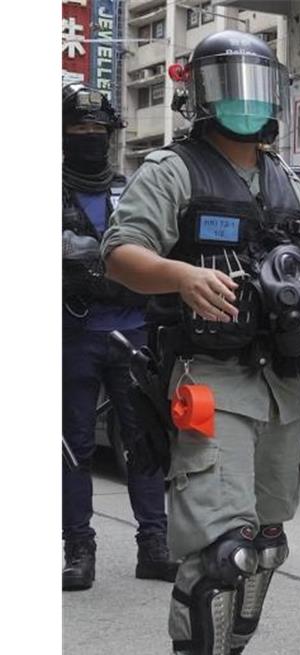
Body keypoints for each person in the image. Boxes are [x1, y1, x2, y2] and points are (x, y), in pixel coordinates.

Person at [103, 30, 300, 655]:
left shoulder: (283, 178)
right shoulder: (173, 169)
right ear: (200, 94)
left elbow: (299, 268)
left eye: (257, 85)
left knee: (265, 543)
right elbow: (121, 255)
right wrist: (182, 276)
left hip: (281, 382)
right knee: (225, 551)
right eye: (229, 85)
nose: (246, 101)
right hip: (208, 380)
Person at [62, 83, 178, 591]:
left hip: (132, 331)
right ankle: (78, 549)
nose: (90, 137)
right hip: (71, 333)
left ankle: (154, 544)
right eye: (79, 129)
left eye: (98, 129)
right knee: (74, 447)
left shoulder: (133, 190)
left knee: (145, 441)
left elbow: (159, 244)